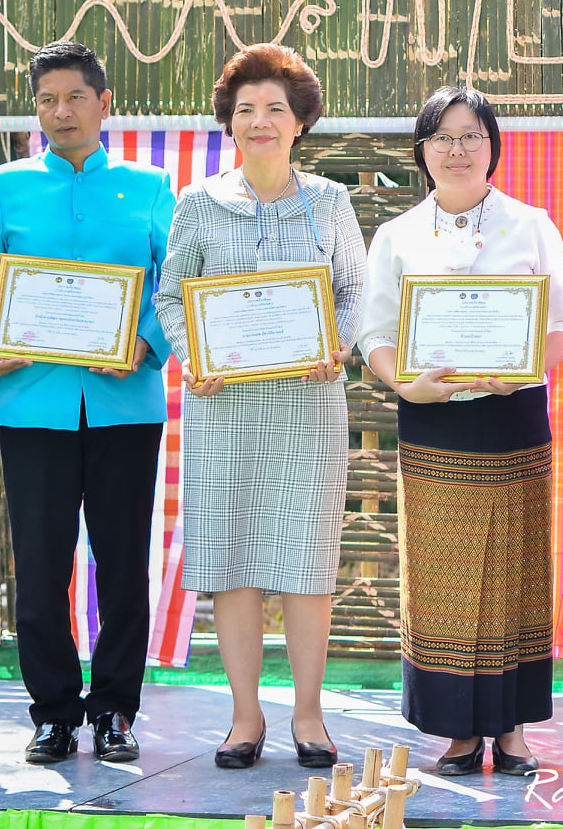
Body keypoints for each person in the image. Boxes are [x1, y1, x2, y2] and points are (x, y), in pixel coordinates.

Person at [358, 85, 563, 777]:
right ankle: (456, 732)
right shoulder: (397, 234)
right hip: (433, 418)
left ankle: (512, 729)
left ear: (493, 146)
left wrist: (518, 368)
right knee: (442, 578)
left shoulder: (531, 224)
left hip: (512, 415)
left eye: (471, 136)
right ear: (422, 151)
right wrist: (406, 383)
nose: (457, 150)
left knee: (515, 570)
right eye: (442, 137)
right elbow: (373, 332)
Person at [154, 43, 366, 770]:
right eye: (246, 110)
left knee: (306, 560)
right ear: (230, 124)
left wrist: (336, 345)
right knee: (232, 556)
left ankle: (309, 716)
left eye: (275, 108)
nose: (260, 121)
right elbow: (171, 296)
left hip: (309, 403)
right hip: (224, 406)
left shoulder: (331, 202)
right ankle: (245, 719)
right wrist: (191, 357)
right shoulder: (197, 203)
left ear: (300, 121)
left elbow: (354, 292)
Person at [0, 41, 175, 764]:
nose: (61, 111)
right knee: (42, 565)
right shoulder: (4, 185)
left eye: (75, 96)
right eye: (47, 99)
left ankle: (115, 709)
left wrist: (146, 340)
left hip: (126, 403)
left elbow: (171, 284)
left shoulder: (149, 185)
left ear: (105, 102)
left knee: (122, 567)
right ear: (36, 108)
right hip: (32, 405)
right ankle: (53, 712)